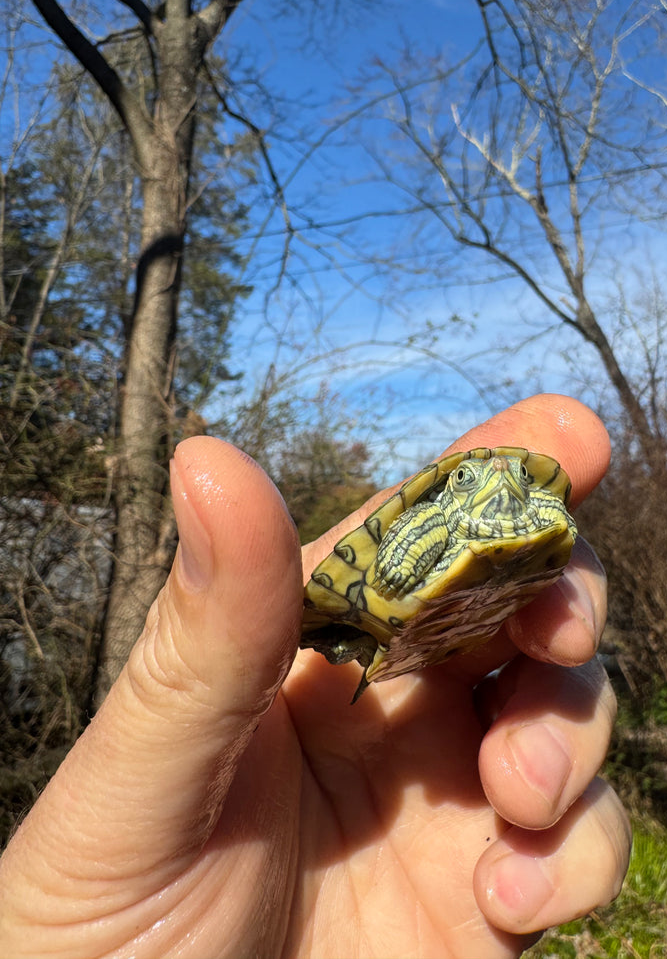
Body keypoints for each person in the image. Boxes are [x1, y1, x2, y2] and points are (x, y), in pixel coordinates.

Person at [0, 394, 630, 959]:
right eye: (469, 479)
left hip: (458, 627)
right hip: (390, 604)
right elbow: (409, 540)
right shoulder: (444, 513)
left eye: (507, 480)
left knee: (566, 642)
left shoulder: (541, 515)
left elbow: (559, 533)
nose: (491, 483)